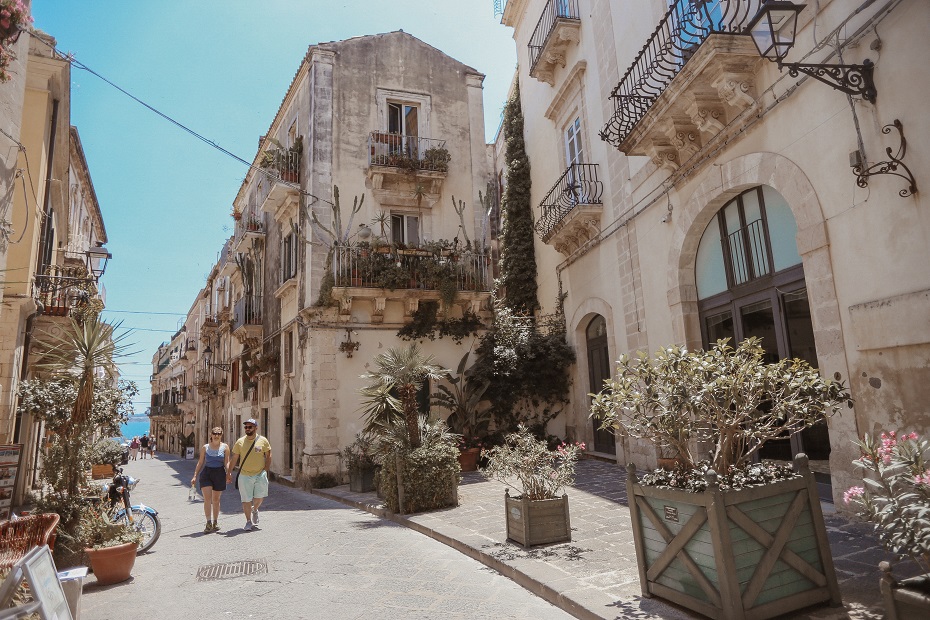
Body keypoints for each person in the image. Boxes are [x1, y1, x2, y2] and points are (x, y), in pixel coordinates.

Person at [227, 418, 271, 531]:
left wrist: (265, 470)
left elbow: (268, 456)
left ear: (256, 428)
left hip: (260, 474)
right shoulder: (240, 442)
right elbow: (234, 458)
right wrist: (229, 472)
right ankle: (248, 521)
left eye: (250, 427)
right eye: (246, 427)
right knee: (246, 499)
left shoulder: (263, 440)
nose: (247, 429)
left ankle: (255, 509)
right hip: (244, 475)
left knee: (259, 497)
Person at [191, 427, 230, 533]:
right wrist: (195, 475)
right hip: (207, 473)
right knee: (207, 499)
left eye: (219, 433)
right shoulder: (205, 447)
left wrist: (229, 472)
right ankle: (208, 522)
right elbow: (200, 462)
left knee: (216, 500)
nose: (216, 435)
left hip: (219, 473)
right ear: (211, 434)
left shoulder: (225, 447)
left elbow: (226, 462)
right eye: (214, 433)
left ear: (221, 435)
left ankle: (215, 522)